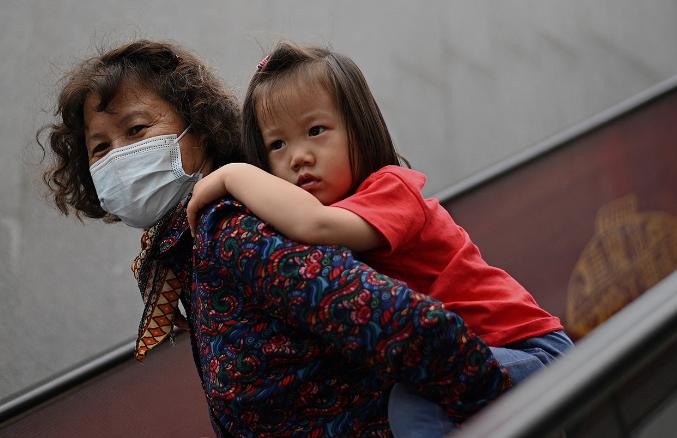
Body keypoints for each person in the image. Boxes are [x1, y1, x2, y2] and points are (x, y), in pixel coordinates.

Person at [38, 39, 513, 437]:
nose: (119, 154)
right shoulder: (184, 250)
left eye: (137, 129)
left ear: (200, 130)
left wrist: (514, 414)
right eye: (100, 146)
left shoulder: (231, 228)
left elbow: (414, 327)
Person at [186, 41, 574, 437]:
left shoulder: (393, 189)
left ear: (361, 128)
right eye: (277, 144)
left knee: (414, 407)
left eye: (316, 131)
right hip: (477, 356)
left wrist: (232, 175)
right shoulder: (325, 214)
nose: (298, 157)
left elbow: (314, 224)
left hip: (532, 353)